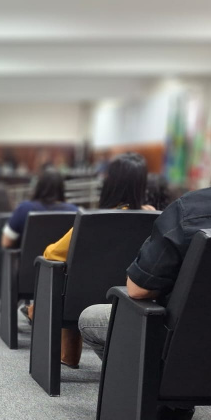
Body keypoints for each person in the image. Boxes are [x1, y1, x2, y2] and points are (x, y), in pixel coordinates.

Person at [78, 97, 211, 420]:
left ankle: (171, 404)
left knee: (94, 318)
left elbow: (138, 289)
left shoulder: (193, 209)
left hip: (194, 352)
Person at [34, 152, 152, 369]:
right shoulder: (156, 220)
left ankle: (67, 354)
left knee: (59, 272)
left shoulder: (95, 220)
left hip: (82, 303)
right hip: (134, 301)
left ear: (110, 184)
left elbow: (52, 253)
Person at [1, 169, 79, 248]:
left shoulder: (24, 209)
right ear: (61, 188)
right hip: (62, 256)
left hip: (29, 256)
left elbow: (6, 242)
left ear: (38, 186)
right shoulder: (74, 211)